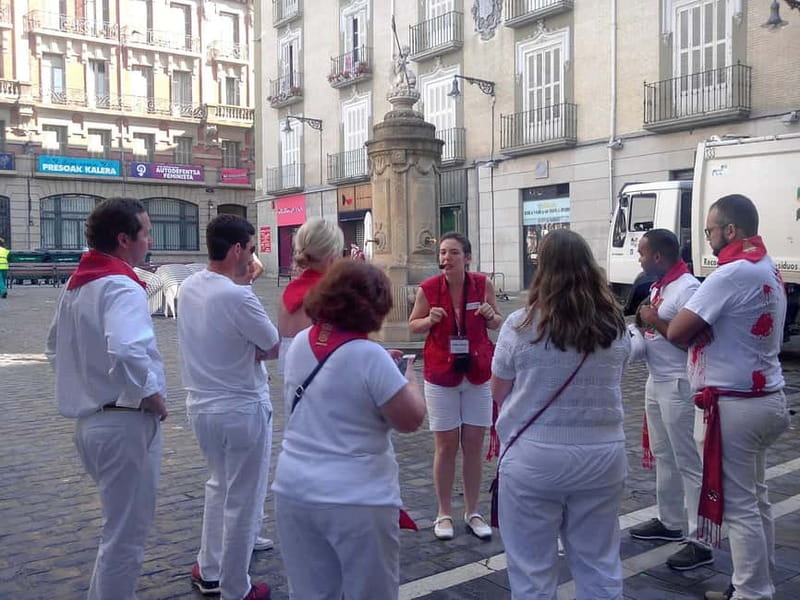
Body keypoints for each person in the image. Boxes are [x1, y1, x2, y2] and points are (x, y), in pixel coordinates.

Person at [272, 260, 426, 600]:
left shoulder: (300, 343)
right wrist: (408, 377)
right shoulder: (370, 357)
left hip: (294, 490)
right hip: (356, 498)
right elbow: (410, 419)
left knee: (311, 593)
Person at [491, 229, 630, 600]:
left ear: (543, 270)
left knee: (532, 570)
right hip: (603, 454)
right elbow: (617, 373)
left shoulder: (520, 325)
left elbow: (498, 390)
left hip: (534, 457)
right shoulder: (614, 326)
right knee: (600, 563)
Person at [44, 197, 168, 600]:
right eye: (145, 232)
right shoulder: (120, 284)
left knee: (117, 532)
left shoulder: (79, 283)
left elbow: (52, 348)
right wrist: (152, 396)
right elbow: (129, 349)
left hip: (92, 422)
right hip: (123, 421)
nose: (149, 240)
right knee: (125, 539)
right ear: (123, 239)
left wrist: (84, 379)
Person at [668, 195, 789, 600]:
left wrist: (654, 318)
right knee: (756, 499)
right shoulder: (766, 266)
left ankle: (752, 592)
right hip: (764, 398)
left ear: (730, 231)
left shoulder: (731, 274)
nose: (708, 239)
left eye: (710, 231)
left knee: (739, 508)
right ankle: (759, 581)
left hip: (735, 407)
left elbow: (676, 331)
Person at [178, 214, 279, 600]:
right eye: (251, 249)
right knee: (242, 497)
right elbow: (270, 345)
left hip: (201, 405)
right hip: (241, 405)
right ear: (237, 250)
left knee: (218, 486)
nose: (253, 256)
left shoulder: (189, 287)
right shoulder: (239, 296)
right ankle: (236, 586)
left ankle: (209, 565)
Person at [627, 229, 712, 570]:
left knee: (688, 461)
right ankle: (670, 521)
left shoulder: (688, 288)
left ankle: (700, 539)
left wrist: (654, 321)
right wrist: (642, 324)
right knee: (664, 455)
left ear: (659, 257)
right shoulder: (660, 285)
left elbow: (691, 341)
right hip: (656, 380)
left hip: (679, 384)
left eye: (642, 253)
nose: (639, 258)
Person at [408, 232, 501, 540]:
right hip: (441, 374)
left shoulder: (481, 284)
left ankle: (473, 511)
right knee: (446, 446)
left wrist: (491, 315)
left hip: (477, 373)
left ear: (468, 258)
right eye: (443, 253)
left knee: (473, 445)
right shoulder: (429, 289)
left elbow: (496, 321)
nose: (446, 258)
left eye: (453, 253)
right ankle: (443, 513)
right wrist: (429, 320)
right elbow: (413, 325)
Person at [277, 217, 344, 373]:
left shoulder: (285, 294)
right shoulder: (333, 294)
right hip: (324, 376)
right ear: (332, 257)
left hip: (294, 381)